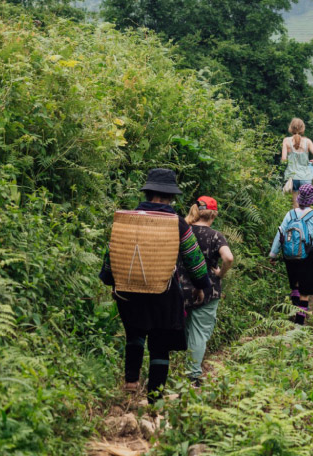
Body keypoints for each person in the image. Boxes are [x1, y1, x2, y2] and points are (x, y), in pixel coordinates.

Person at [99, 168, 213, 398]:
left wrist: (112, 281)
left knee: (135, 333)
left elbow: (114, 252)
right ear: (171, 197)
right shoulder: (177, 223)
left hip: (129, 291)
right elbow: (193, 258)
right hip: (164, 292)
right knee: (160, 343)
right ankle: (155, 398)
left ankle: (131, 381)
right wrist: (201, 285)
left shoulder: (128, 219)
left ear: (149, 194)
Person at [179, 196, 233, 385]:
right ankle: (193, 375)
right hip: (207, 289)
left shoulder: (183, 231)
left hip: (182, 288)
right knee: (200, 332)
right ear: (214, 214)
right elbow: (229, 258)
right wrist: (220, 274)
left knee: (187, 330)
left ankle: (183, 366)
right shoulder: (215, 236)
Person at [269, 184, 313, 324]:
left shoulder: (290, 214)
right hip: (306, 255)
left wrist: (273, 254)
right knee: (305, 291)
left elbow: (280, 234)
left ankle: (294, 309)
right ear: (312, 200)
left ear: (299, 199)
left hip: (289, 255)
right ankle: (299, 322)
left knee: (295, 285)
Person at [282, 118, 313, 195]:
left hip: (293, 177)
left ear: (290, 127)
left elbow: (284, 159)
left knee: (295, 203)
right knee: (307, 201)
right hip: (306, 177)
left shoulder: (286, 141)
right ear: (303, 128)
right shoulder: (308, 141)